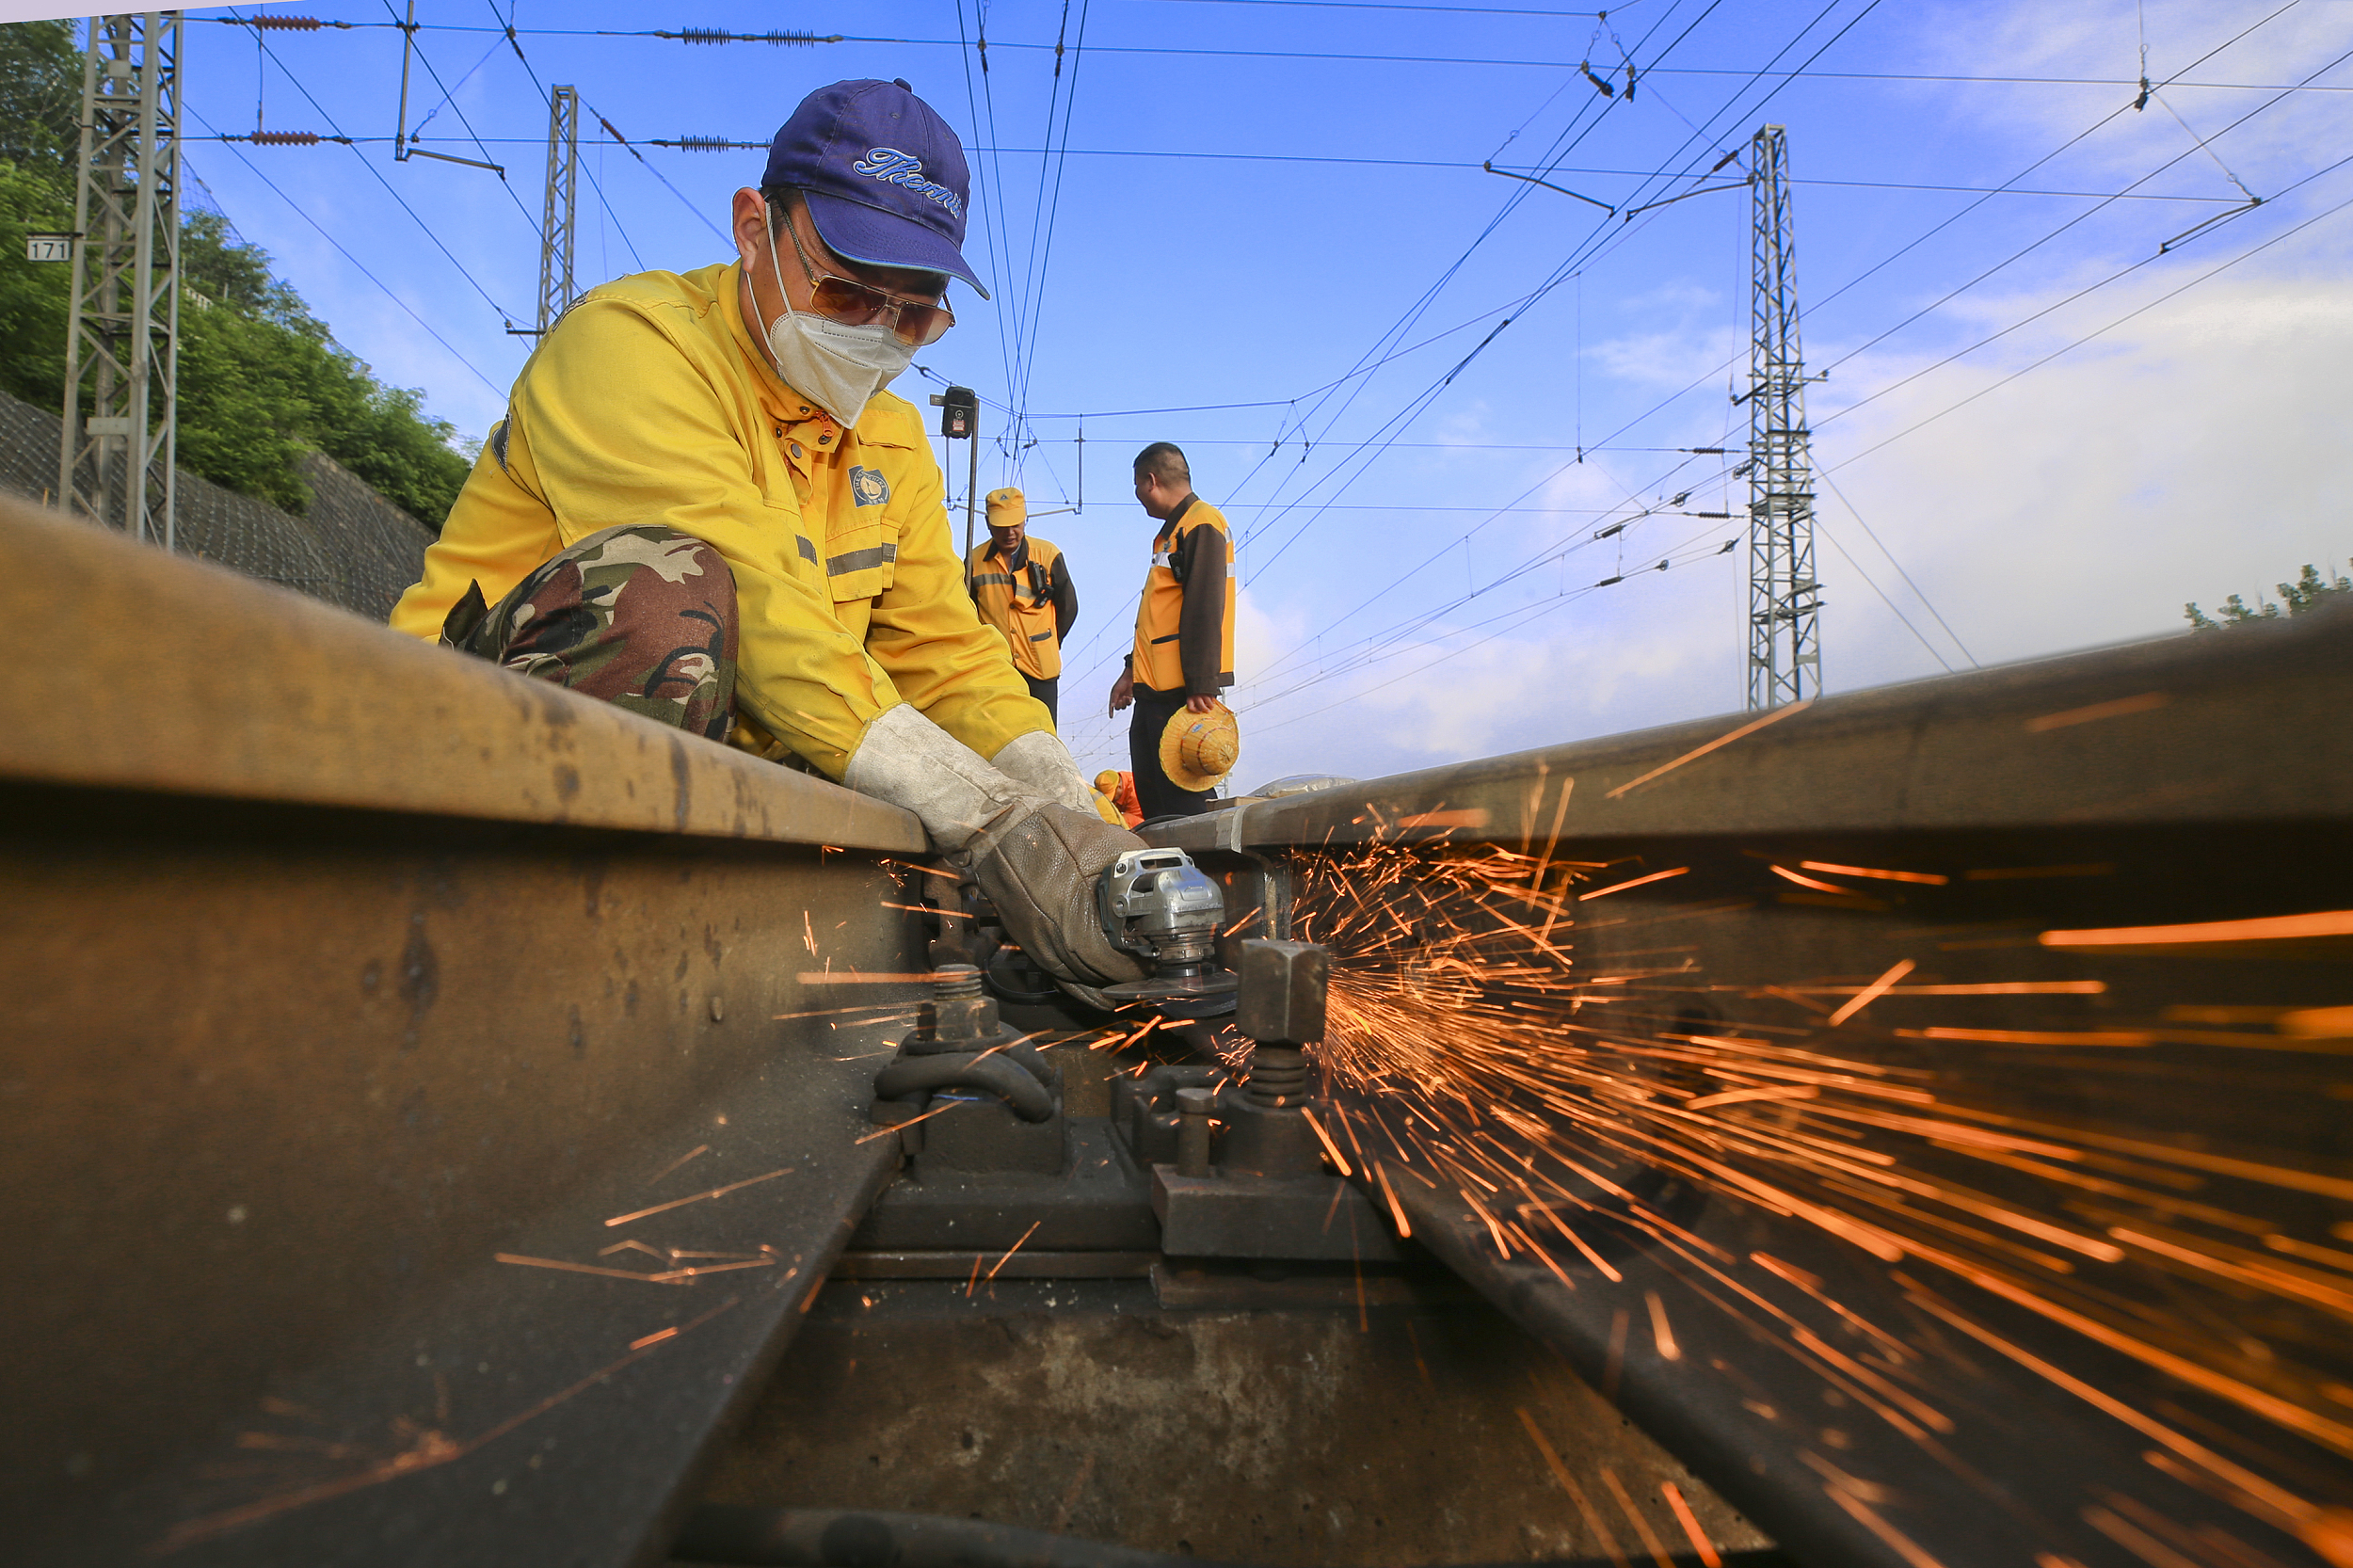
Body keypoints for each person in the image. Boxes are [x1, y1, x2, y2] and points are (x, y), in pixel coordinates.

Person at [386, 78, 1144, 998]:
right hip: (463, 757)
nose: (879, 335)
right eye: (845, 293)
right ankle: (507, 978)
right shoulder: (631, 347)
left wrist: (1072, 816)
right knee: (667, 591)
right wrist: (989, 820)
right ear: (754, 229)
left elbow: (945, 656)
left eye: (915, 314)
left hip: (692, 783)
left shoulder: (893, 438)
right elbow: (765, 613)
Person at [1107, 442, 1236, 820]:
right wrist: (1132, 671)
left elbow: (1205, 606)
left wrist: (1201, 684)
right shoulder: (1173, 532)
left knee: (1183, 799)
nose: (1137, 495)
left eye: (1136, 485)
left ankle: (1202, 858)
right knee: (1155, 798)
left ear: (1151, 481)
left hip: (1181, 689)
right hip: (1156, 685)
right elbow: (1159, 614)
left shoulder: (1201, 523)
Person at [966, 487, 1077, 723]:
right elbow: (967, 613)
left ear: (1025, 520)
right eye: (1001, 526)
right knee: (1000, 735)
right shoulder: (974, 561)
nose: (1009, 533)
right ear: (988, 524)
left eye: (1015, 524)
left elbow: (1069, 606)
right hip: (996, 669)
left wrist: (1049, 641)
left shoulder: (1048, 554)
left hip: (1040, 668)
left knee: (1044, 734)